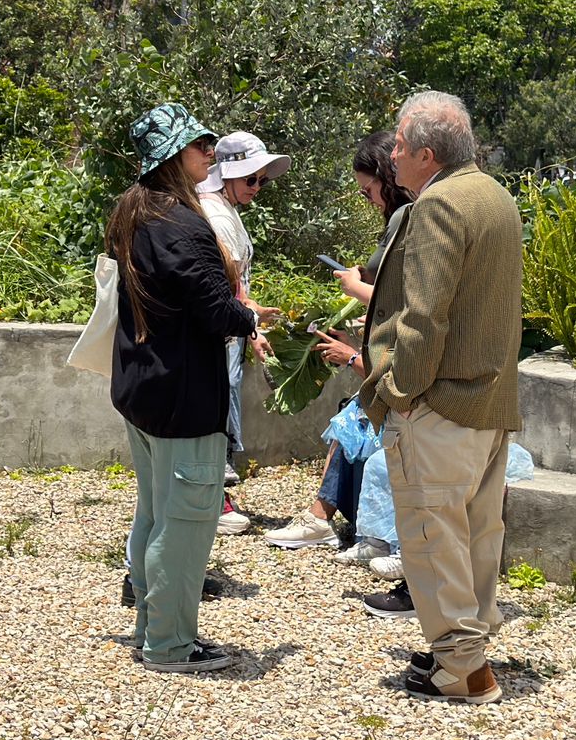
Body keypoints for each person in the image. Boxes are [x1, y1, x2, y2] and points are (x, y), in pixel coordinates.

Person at [357, 91, 523, 704]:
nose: (391, 154)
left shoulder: (439, 204)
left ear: (427, 154)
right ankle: (465, 649)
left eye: (399, 145)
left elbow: (425, 318)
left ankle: (462, 669)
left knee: (431, 534)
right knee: (476, 533)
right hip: (489, 402)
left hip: (440, 403)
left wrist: (399, 391)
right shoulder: (495, 196)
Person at [111, 103, 259, 674]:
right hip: (183, 398)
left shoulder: (132, 210)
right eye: (201, 144)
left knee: (154, 512)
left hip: (142, 390)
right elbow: (213, 311)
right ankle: (170, 645)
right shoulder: (183, 223)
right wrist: (250, 320)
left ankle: (153, 629)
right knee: (187, 524)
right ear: (175, 155)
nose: (211, 152)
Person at [264, 131, 414, 555]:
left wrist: (355, 291)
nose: (367, 199)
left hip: (402, 370)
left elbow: (408, 300)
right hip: (388, 352)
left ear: (388, 175)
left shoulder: (413, 218)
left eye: (368, 189)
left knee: (353, 416)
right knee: (350, 411)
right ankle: (327, 519)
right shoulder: (402, 219)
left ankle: (324, 520)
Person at [196, 131, 287, 534]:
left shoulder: (223, 208)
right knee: (214, 407)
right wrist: (249, 324)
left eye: (262, 180)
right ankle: (212, 499)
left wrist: (250, 312)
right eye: (251, 179)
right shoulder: (215, 213)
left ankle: (213, 494)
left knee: (222, 400)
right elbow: (223, 280)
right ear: (226, 174)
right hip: (221, 328)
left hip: (230, 325)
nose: (257, 187)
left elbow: (234, 281)